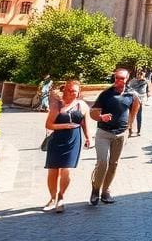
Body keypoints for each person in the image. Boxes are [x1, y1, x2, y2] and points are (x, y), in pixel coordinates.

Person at [89, 67, 140, 205]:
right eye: (116, 77)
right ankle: (95, 190)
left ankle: (106, 192)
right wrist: (100, 117)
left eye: (121, 78)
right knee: (102, 163)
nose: (118, 80)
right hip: (104, 133)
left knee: (113, 164)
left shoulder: (132, 94)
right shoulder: (106, 94)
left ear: (127, 79)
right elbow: (92, 112)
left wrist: (129, 127)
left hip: (121, 134)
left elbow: (135, 109)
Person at [43, 79, 91, 213]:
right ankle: (52, 198)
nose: (71, 93)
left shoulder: (82, 105)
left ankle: (61, 197)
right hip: (57, 139)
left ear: (78, 92)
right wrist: (65, 126)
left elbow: (85, 123)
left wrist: (89, 138)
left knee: (66, 170)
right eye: (69, 90)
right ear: (64, 90)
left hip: (73, 140)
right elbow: (48, 125)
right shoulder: (57, 105)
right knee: (53, 170)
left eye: (74, 91)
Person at [127, 69, 150, 137]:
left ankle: (138, 130)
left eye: (141, 75)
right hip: (131, 99)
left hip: (139, 100)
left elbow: (143, 91)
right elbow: (128, 88)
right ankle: (130, 129)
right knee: (130, 115)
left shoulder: (145, 82)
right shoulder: (132, 81)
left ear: (143, 75)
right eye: (138, 74)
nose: (139, 76)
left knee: (138, 115)